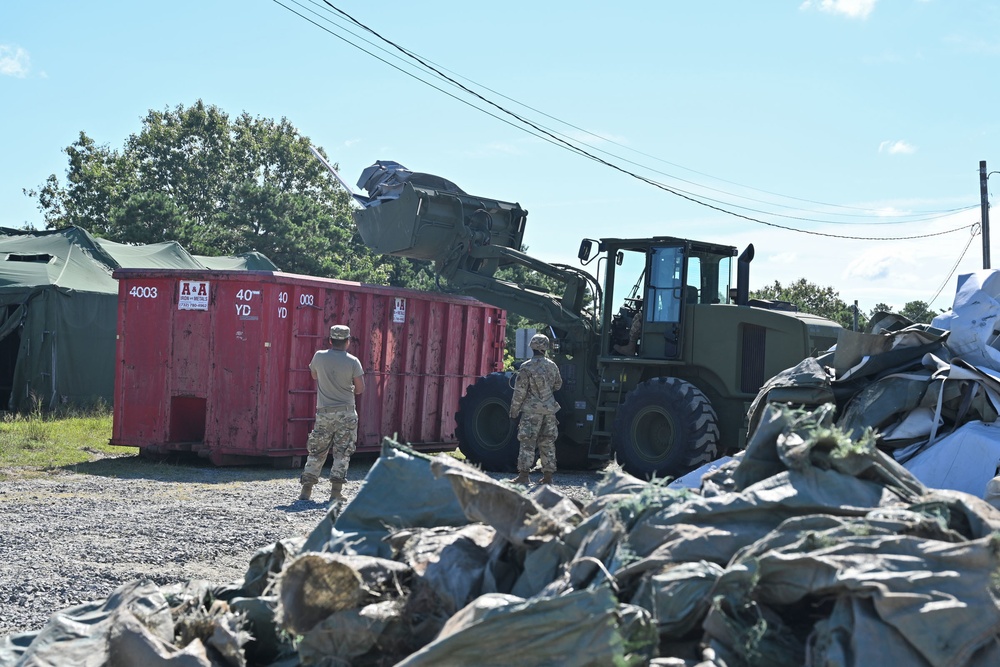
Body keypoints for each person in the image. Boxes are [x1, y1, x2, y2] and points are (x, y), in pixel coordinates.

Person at [299, 324, 365, 503]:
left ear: (330, 340)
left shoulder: (319, 357)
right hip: (346, 413)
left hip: (324, 413)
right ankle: (335, 493)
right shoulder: (353, 361)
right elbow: (360, 389)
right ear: (348, 342)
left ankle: (306, 491)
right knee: (342, 452)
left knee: (317, 451)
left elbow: (314, 376)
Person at [509, 333, 563, 485]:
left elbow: (519, 392)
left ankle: (524, 476)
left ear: (532, 347)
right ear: (545, 348)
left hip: (531, 412)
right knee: (548, 443)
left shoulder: (526, 367)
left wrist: (514, 412)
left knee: (527, 442)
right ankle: (547, 478)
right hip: (550, 411)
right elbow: (558, 385)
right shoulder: (553, 366)